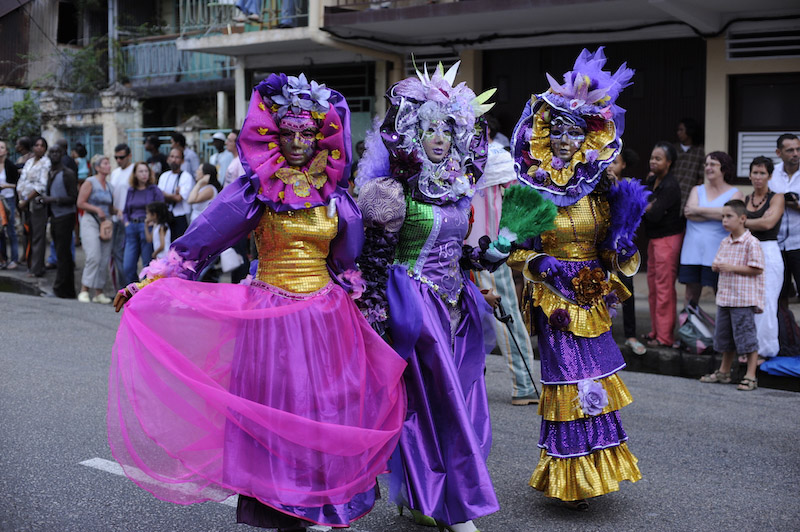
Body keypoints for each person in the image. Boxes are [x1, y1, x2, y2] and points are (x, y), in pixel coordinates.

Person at [108, 73, 407, 531]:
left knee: (324, 410)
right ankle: (282, 502)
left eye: (308, 132)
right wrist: (153, 282)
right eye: (288, 132)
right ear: (272, 134)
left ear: (322, 133)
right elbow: (199, 242)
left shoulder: (334, 197)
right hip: (272, 320)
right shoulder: (257, 192)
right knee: (280, 410)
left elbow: (348, 261)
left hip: (326, 318)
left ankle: (321, 508)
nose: (299, 142)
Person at [355, 61, 502, 532]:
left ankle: (425, 495)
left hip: (456, 304)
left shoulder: (456, 190)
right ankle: (458, 507)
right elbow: (375, 259)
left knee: (453, 399)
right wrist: (374, 311)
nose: (438, 137)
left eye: (446, 129)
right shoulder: (392, 191)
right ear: (412, 133)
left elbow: (454, 253)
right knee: (438, 404)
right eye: (428, 128)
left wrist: (488, 257)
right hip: (413, 303)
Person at [508, 47, 645, 510]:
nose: (565, 141)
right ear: (544, 136)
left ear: (587, 138)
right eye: (558, 131)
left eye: (575, 132)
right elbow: (518, 248)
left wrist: (619, 248)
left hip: (594, 295)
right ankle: (570, 476)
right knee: (567, 381)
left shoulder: (597, 190)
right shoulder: (531, 189)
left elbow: (611, 248)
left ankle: (596, 472)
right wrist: (542, 266)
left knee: (597, 377)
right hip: (554, 300)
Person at [468, 114, 539, 405]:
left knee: (502, 309)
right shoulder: (458, 159)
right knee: (472, 315)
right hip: (460, 250)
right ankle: (472, 379)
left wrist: (506, 239)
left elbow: (519, 203)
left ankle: (524, 383)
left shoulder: (497, 159)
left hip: (487, 251)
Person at [700, 200, 764, 391]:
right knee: (724, 337)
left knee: (746, 337)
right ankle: (724, 371)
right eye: (723, 216)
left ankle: (751, 375)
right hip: (725, 298)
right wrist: (716, 265)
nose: (725, 220)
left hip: (742, 299)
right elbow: (717, 262)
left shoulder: (751, 242)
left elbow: (757, 268)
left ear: (742, 219)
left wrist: (732, 268)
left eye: (729, 216)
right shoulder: (725, 241)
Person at [679, 152, 743, 306]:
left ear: (725, 169)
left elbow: (732, 217)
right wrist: (720, 212)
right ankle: (690, 327)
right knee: (690, 295)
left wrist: (699, 210)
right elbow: (688, 212)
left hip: (718, 253)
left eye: (713, 164)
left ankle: (722, 330)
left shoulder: (735, 193)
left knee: (721, 295)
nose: (708, 167)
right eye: (706, 164)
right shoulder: (697, 190)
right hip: (692, 251)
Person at [642, 142, 683, 348]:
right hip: (654, 239)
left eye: (658, 158)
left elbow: (655, 214)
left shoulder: (671, 185)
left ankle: (665, 337)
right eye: (652, 157)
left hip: (667, 240)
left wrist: (646, 205)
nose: (652, 161)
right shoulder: (654, 181)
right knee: (653, 287)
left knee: (664, 288)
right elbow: (646, 205)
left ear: (669, 162)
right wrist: (647, 203)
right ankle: (655, 331)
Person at [743, 156, 784, 360]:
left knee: (767, 302)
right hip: (747, 252)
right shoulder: (745, 199)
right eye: (755, 172)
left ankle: (765, 350)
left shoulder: (777, 197)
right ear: (749, 175)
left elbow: (768, 224)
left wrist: (743, 222)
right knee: (749, 302)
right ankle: (749, 349)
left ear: (769, 176)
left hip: (768, 251)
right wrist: (756, 221)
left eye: (762, 173)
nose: (758, 177)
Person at [606, 147, 646, 354]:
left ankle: (631, 335)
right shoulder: (594, 183)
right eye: (608, 161)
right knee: (601, 289)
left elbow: (632, 212)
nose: (611, 165)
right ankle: (604, 334)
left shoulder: (629, 185)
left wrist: (615, 186)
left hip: (621, 247)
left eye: (616, 161)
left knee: (626, 290)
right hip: (601, 246)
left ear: (623, 165)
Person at [77, 155, 116, 304]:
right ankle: (84, 290)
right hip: (91, 221)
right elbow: (80, 202)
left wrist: (117, 211)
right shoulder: (90, 182)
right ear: (97, 167)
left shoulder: (110, 186)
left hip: (105, 223)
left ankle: (99, 292)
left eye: (108, 163)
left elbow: (110, 207)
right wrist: (96, 209)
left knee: (104, 258)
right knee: (93, 256)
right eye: (105, 163)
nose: (108, 166)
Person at [768, 133, 800, 303]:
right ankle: (786, 330)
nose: (795, 153)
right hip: (777, 243)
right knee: (779, 296)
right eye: (790, 150)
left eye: (798, 149)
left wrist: (795, 205)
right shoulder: (771, 175)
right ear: (778, 153)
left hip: (799, 243)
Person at [42, 145, 78, 298]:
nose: (55, 155)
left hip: (65, 217)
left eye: (58, 152)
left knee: (63, 254)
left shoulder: (67, 173)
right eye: (52, 152)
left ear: (63, 154)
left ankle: (60, 289)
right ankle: (67, 290)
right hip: (56, 217)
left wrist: (53, 199)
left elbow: (73, 198)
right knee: (62, 254)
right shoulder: (51, 172)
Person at [122, 162, 164, 285]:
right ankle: (133, 293)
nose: (144, 174)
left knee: (147, 265)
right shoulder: (131, 190)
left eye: (146, 171)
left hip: (147, 228)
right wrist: (126, 223)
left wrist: (153, 222)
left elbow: (161, 209)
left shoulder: (154, 190)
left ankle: (145, 297)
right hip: (131, 227)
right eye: (140, 171)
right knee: (128, 266)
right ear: (135, 174)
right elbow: (125, 211)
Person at [17, 136, 50, 277]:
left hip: (36, 203)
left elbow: (41, 186)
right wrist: (21, 200)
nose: (39, 148)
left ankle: (37, 268)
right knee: (27, 234)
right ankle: (29, 264)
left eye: (42, 145)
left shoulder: (46, 162)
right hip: (24, 202)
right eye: (36, 145)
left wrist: (26, 200)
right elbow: (21, 182)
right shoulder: (29, 162)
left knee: (37, 236)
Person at [110, 143, 134, 289]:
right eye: (116, 157)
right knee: (116, 253)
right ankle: (123, 287)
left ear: (129, 156)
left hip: (129, 219)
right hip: (116, 218)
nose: (119, 160)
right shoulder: (115, 173)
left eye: (121, 157)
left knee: (128, 255)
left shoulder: (134, 171)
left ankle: (131, 287)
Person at [157, 148, 194, 238]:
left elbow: (179, 198)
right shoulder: (164, 176)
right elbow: (158, 196)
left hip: (180, 216)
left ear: (182, 161)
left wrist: (165, 194)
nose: (174, 160)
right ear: (168, 159)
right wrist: (173, 195)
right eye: (172, 156)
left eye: (177, 157)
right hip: (165, 215)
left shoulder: (186, 177)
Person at [672, 117, 705, 215]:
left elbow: (702, 176)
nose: (678, 133)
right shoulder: (674, 149)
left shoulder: (699, 151)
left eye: (681, 130)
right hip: (673, 191)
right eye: (678, 130)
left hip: (689, 192)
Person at [0, 139, 20, 270]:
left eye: (2, 147)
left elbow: (19, 185)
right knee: (0, 231)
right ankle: (3, 258)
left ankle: (14, 258)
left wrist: (6, 186)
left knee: (11, 229)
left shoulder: (10, 166)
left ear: (6, 150)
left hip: (9, 198)